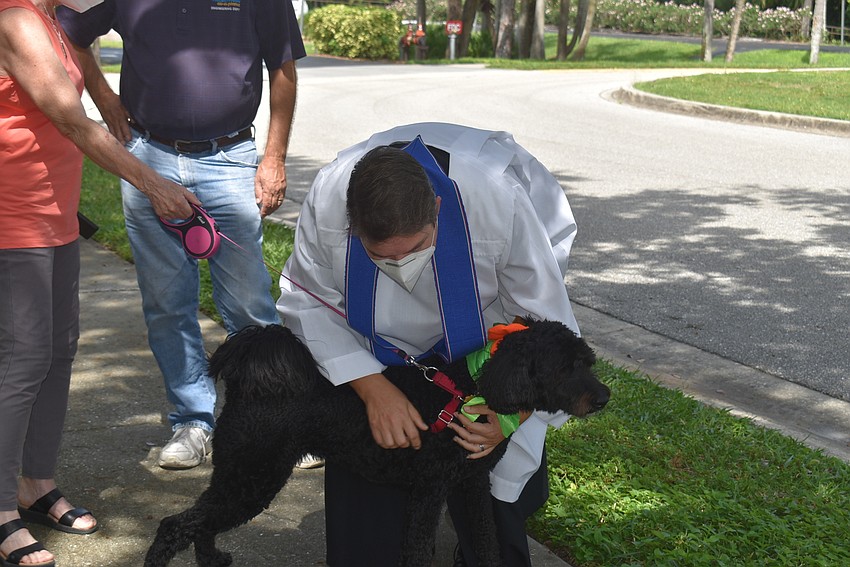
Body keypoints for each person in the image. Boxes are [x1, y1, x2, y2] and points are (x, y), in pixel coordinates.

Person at [277, 122, 581, 566]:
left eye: (415, 247)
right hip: (374, 351)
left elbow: (542, 323)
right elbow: (306, 301)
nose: (401, 266)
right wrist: (372, 388)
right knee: (366, 529)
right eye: (382, 255)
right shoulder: (328, 200)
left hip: (485, 342)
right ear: (353, 227)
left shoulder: (497, 200)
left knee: (495, 525)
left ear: (437, 209)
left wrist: (510, 413)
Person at [57, 0, 308, 470]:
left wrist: (273, 158)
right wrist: (105, 98)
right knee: (167, 304)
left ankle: (275, 419)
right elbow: (70, 33)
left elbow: (284, 69)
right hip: (147, 156)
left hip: (231, 158)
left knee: (249, 305)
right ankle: (193, 420)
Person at [0, 0, 198, 565]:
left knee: (59, 350)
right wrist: (152, 183)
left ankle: (34, 483)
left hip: (54, 212)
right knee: (23, 358)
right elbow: (69, 118)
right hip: (15, 215)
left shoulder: (51, 17)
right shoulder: (13, 18)